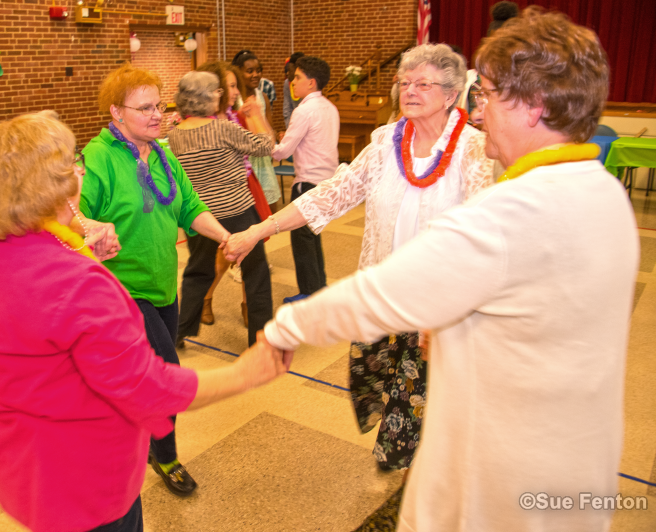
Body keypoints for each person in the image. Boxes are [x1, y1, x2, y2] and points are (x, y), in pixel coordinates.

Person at [260, 8, 635, 532]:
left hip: (506, 474)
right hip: (575, 466)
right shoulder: (606, 193)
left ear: (534, 106)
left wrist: (283, 329)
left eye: (488, 95)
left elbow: (391, 292)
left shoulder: (509, 210)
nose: (478, 111)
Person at [0, 111, 289, 532]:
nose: (79, 170)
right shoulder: (78, 284)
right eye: (71, 163)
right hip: (87, 482)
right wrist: (245, 373)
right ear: (51, 187)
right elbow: (150, 389)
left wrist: (80, 248)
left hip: (22, 467)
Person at [226, 43, 493, 477]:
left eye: (422, 84)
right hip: (383, 294)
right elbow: (333, 192)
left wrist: (452, 308)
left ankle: (416, 466)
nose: (409, 90)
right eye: (404, 82)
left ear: (450, 94)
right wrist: (259, 230)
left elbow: (483, 235)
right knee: (374, 377)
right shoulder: (386, 142)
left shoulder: (474, 149)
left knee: (417, 394)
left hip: (438, 304)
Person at [80, 64, 231, 497]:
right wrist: (93, 227)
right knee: (166, 373)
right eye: (144, 108)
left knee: (145, 375)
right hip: (122, 290)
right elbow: (74, 216)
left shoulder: (163, 154)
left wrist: (226, 237)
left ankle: (136, 433)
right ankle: (165, 456)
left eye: (159, 106)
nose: (156, 115)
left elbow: (189, 206)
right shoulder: (98, 157)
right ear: (116, 112)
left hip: (164, 283)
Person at [168, 71, 274, 347]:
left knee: (198, 272)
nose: (220, 94)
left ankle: (177, 333)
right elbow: (265, 146)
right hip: (237, 211)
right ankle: (260, 342)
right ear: (204, 96)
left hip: (199, 216)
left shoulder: (175, 134)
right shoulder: (223, 128)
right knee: (256, 272)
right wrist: (256, 116)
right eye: (216, 90)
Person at [195, 61, 270, 326]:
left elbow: (265, 144)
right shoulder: (200, 122)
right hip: (217, 194)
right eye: (231, 86)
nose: (236, 91)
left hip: (245, 187)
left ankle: (249, 304)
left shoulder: (237, 117)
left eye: (236, 85)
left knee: (252, 250)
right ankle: (205, 297)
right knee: (221, 255)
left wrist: (256, 116)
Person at [271, 56, 340, 303]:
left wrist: (268, 146)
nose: (293, 81)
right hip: (327, 181)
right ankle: (318, 286)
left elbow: (282, 152)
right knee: (312, 236)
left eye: (298, 77)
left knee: (302, 240)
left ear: (311, 83)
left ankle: (309, 293)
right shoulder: (329, 107)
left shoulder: (304, 110)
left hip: (308, 183)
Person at [232, 51, 282, 211]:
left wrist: (275, 136)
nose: (256, 75)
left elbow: (269, 130)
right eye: (250, 71)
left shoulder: (263, 97)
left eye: (258, 70)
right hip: (244, 162)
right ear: (239, 72)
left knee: (270, 210)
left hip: (263, 162)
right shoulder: (234, 100)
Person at [283, 52, 304, 128]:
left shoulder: (308, 84)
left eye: (289, 70)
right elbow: (287, 109)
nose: (287, 73)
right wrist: (290, 128)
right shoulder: (287, 83)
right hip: (293, 124)